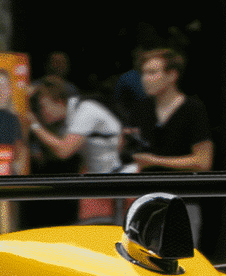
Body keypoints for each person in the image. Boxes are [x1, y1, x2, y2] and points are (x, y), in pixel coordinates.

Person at [28, 70, 124, 223]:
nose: (42, 113)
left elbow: (64, 151)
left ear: (59, 101)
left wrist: (34, 124)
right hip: (96, 179)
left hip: (113, 183)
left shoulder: (85, 111)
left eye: (43, 106)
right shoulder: (67, 119)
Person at [125, 45, 215, 173]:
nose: (145, 79)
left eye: (152, 73)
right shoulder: (140, 110)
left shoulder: (193, 110)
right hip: (145, 189)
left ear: (172, 75)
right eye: (144, 73)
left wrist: (154, 161)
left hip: (182, 188)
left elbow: (203, 162)